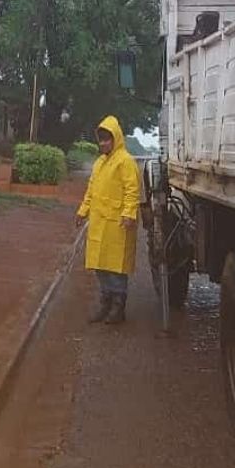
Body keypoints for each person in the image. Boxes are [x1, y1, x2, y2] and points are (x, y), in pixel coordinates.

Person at [77, 115, 139, 324]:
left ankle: (118, 307)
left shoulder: (125, 161)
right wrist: (82, 211)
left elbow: (132, 190)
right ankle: (105, 302)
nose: (103, 143)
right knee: (99, 265)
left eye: (107, 139)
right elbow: (91, 190)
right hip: (98, 222)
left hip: (118, 224)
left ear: (116, 139)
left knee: (115, 267)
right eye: (101, 139)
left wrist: (129, 213)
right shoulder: (99, 163)